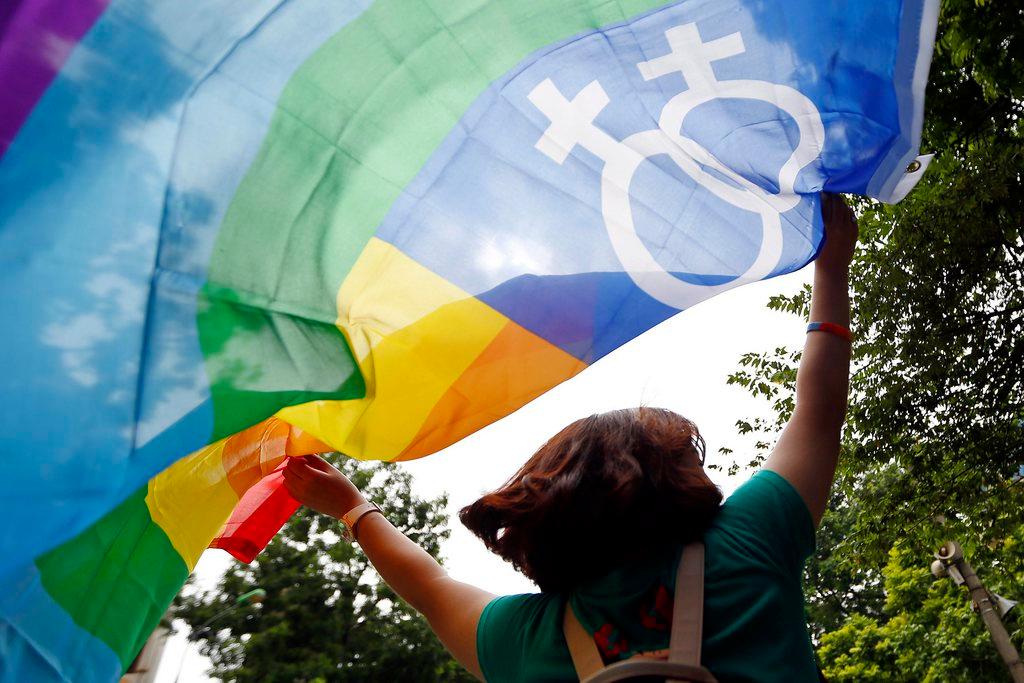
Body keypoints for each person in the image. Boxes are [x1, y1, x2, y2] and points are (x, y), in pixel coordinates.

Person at [282, 193, 858, 682]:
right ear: (668, 479)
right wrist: (832, 268)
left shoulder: (529, 641)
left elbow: (429, 586)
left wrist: (351, 508)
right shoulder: (747, 543)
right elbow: (820, 409)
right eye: (689, 455)